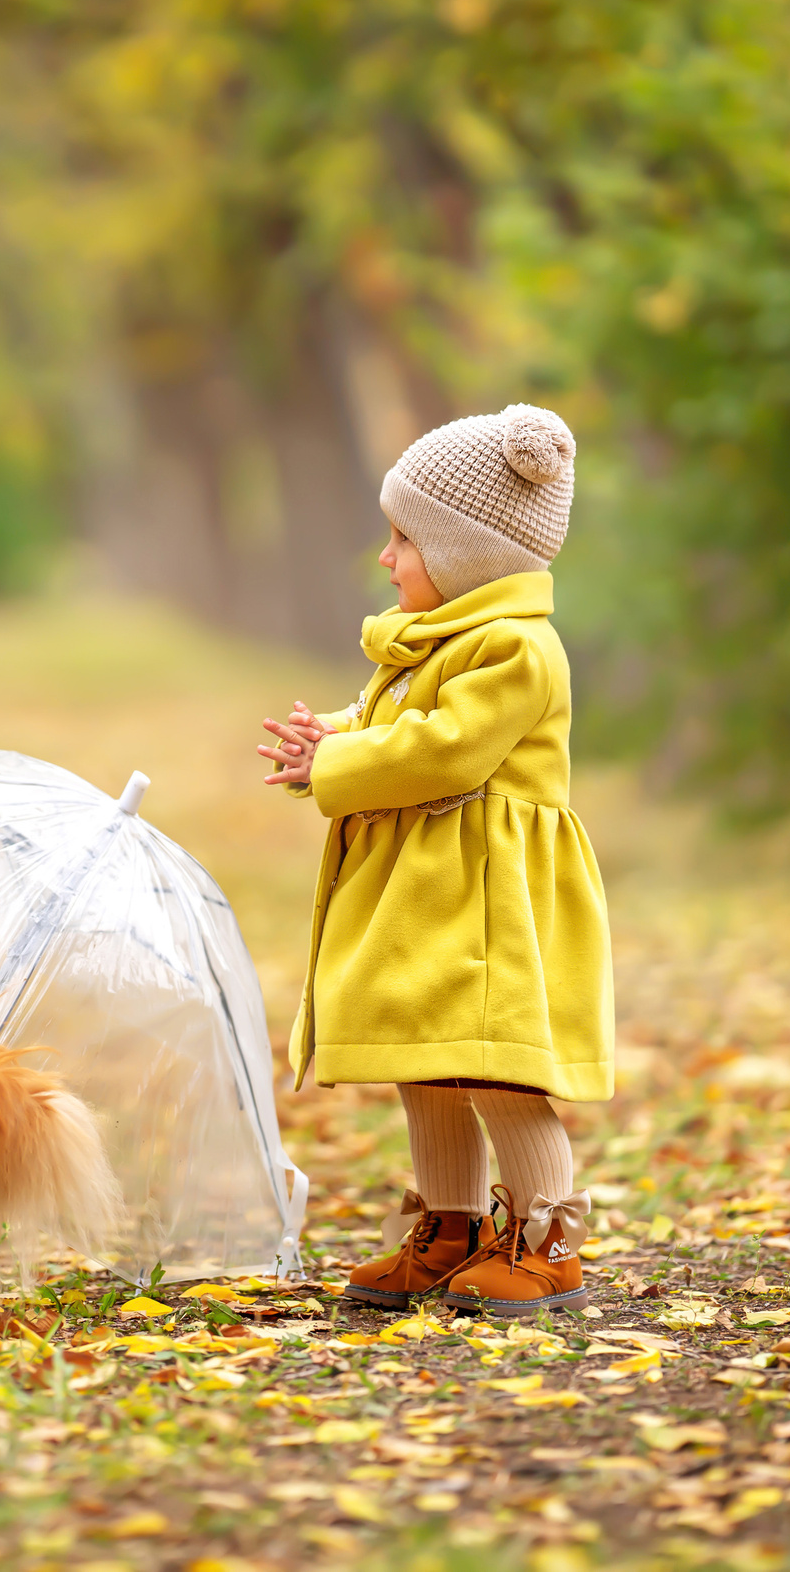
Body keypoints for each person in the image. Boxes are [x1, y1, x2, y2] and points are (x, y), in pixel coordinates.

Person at [258, 405, 612, 1317]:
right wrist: (331, 736)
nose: (387, 558)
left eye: (404, 539)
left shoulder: (517, 648)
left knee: (492, 1063)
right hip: (432, 891)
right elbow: (395, 727)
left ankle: (547, 1239)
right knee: (429, 1057)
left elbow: (445, 749)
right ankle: (447, 1228)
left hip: (485, 899)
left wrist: (335, 763)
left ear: (468, 556)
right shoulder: (441, 641)